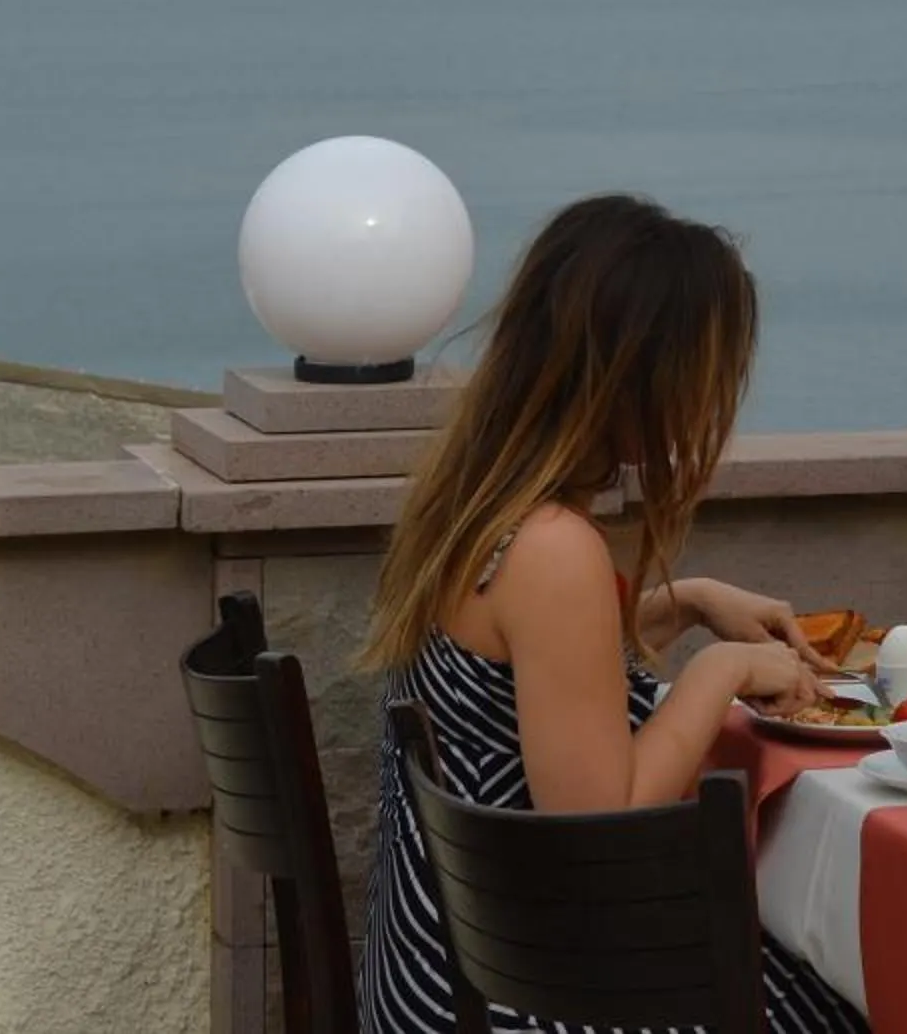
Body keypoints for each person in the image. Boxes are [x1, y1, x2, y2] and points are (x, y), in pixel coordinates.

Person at [357, 193, 869, 1033]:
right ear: (640, 374)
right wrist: (723, 670)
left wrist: (690, 604)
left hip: (437, 966)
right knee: (856, 999)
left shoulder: (479, 502)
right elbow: (600, 819)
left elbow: (522, 679)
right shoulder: (555, 549)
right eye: (705, 371)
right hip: (515, 998)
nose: (711, 400)